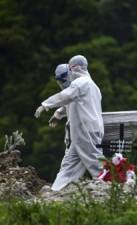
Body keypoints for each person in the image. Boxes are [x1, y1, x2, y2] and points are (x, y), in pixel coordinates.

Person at [34, 55, 104, 191]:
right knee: (69, 164)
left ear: (73, 68)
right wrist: (58, 114)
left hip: (85, 131)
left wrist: (45, 105)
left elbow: (65, 96)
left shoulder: (81, 83)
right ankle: (56, 191)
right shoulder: (91, 85)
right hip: (85, 132)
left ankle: (115, 185)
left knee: (95, 162)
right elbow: (71, 103)